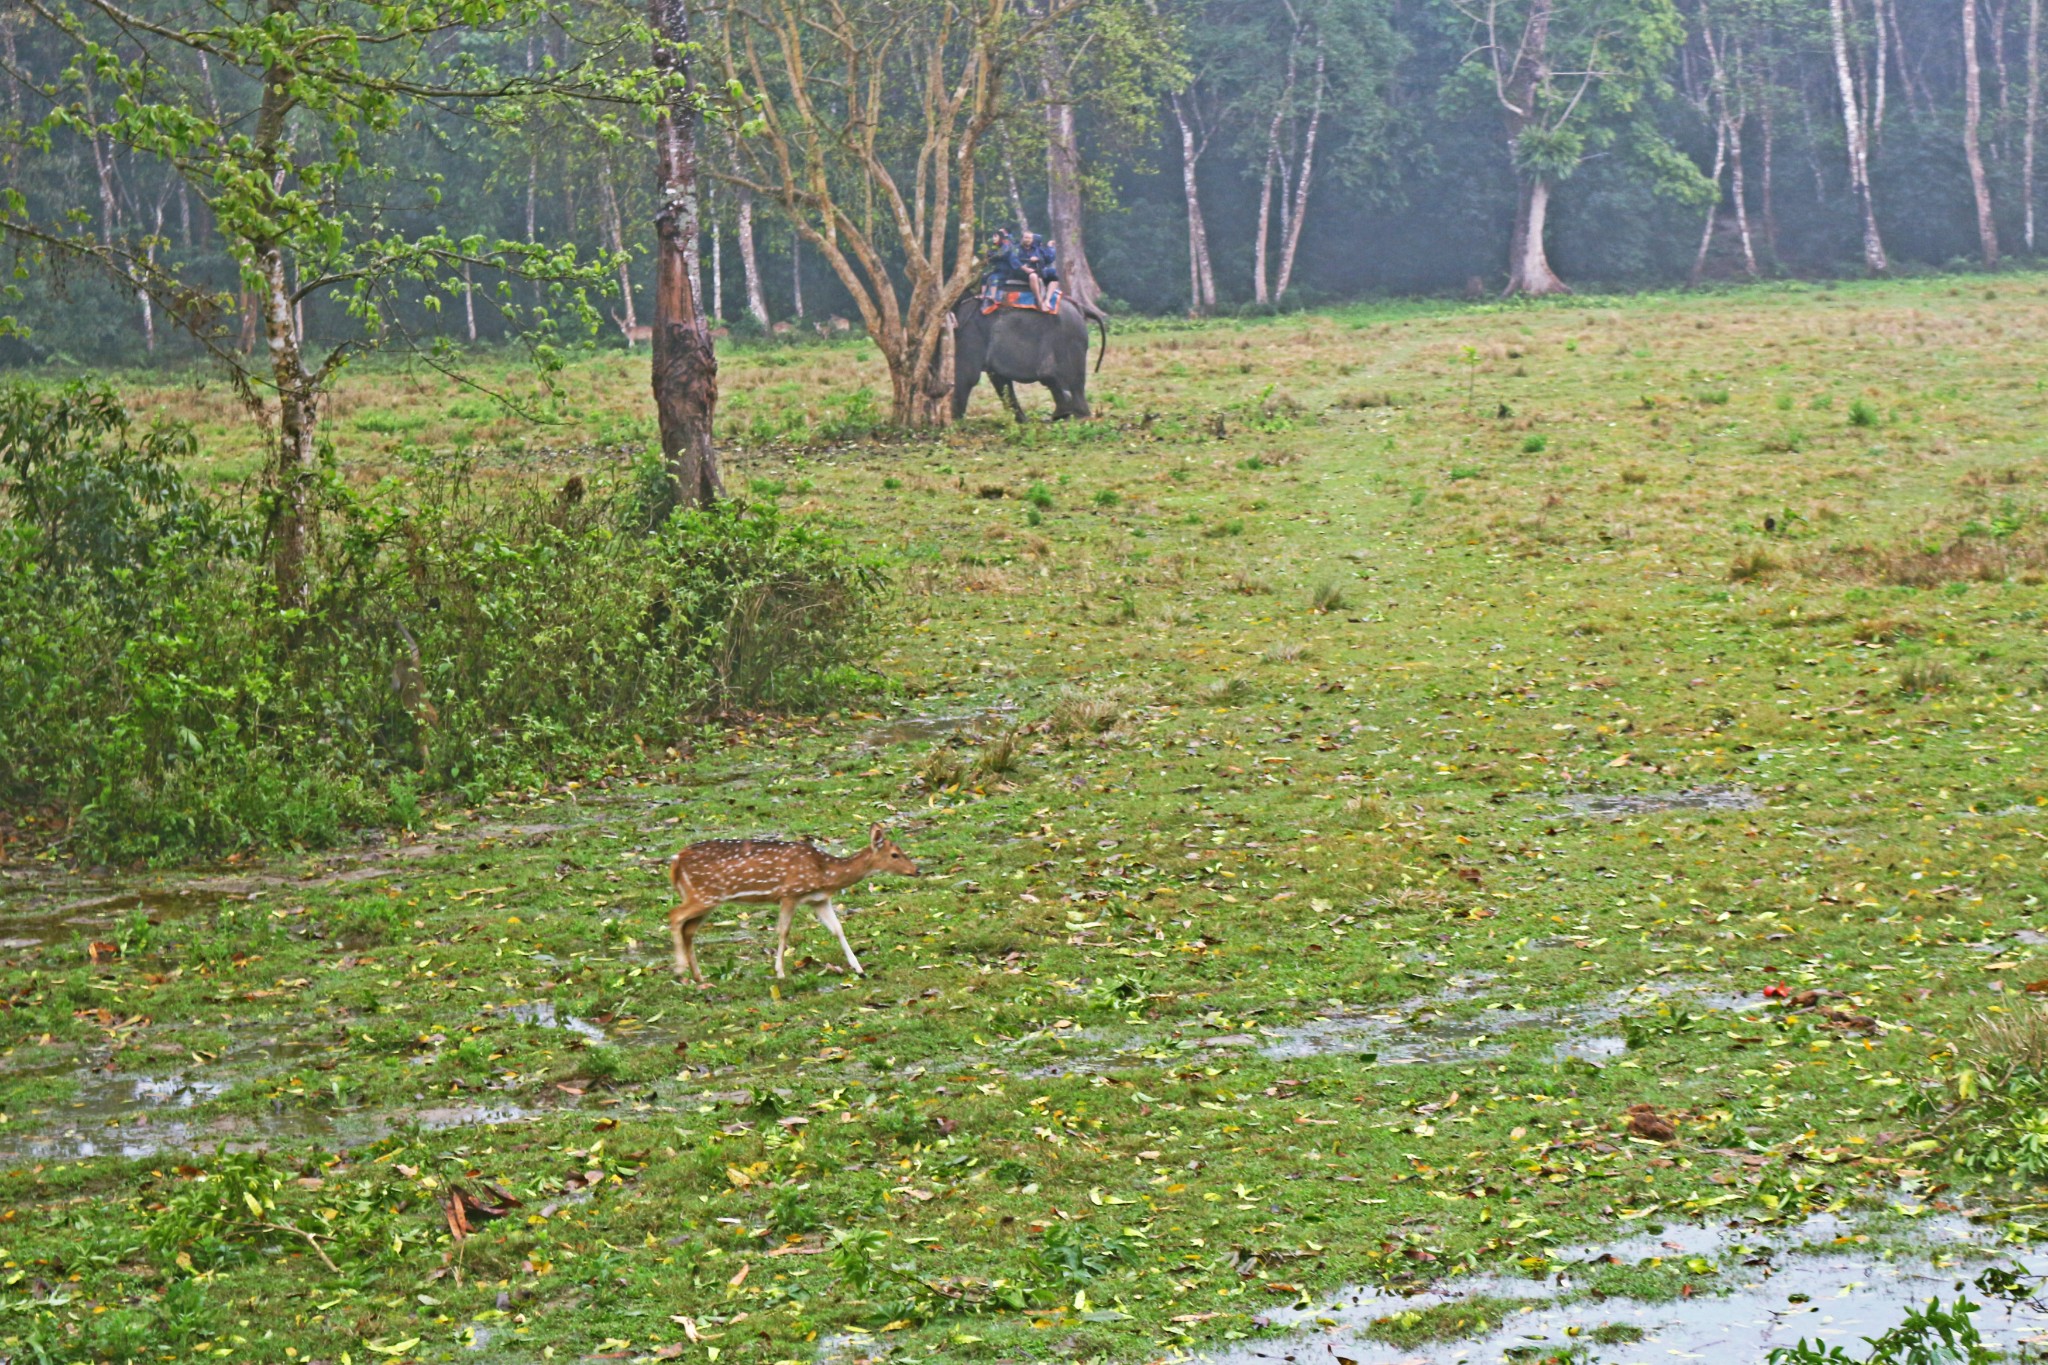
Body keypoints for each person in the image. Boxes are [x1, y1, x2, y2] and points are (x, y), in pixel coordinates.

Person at [1019, 231, 1058, 310]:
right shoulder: (1017, 249)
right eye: (1026, 237)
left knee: (1054, 276)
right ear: (1022, 238)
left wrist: (1050, 248)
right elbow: (1014, 261)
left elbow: (1047, 259)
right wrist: (1026, 265)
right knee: (1033, 276)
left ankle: (1047, 300)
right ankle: (1039, 301)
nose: (1028, 240)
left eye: (1030, 238)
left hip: (1039, 270)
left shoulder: (1037, 249)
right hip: (1024, 272)